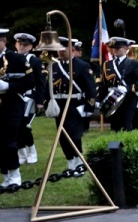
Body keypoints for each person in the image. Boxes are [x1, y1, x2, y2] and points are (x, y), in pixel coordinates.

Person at [50, 37, 97, 177]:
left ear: (72, 50)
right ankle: (70, 162)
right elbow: (50, 87)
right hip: (59, 105)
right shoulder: (54, 66)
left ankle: (79, 162)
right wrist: (48, 104)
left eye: (64, 49)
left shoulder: (82, 66)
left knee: (75, 136)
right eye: (59, 49)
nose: (61, 52)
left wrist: (89, 107)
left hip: (75, 105)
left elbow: (91, 88)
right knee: (62, 136)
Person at [0, 29, 32, 188]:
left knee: (10, 142)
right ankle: (5, 177)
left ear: (4, 41)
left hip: (11, 105)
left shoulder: (16, 59)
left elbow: (30, 82)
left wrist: (8, 86)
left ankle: (15, 176)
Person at [97, 37, 138, 131]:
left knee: (127, 125)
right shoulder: (107, 64)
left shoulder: (133, 63)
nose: (115, 50)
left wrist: (128, 88)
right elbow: (103, 84)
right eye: (114, 48)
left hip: (128, 99)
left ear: (126, 49)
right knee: (115, 126)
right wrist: (99, 99)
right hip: (112, 98)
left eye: (118, 48)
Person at [14, 33, 46, 164]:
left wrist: (40, 101)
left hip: (29, 97)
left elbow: (41, 82)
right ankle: (21, 153)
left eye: (25, 45)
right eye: (20, 44)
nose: (22, 47)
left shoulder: (35, 61)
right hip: (14, 96)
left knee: (24, 125)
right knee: (15, 126)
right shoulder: (11, 58)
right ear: (16, 44)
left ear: (31, 46)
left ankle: (31, 151)